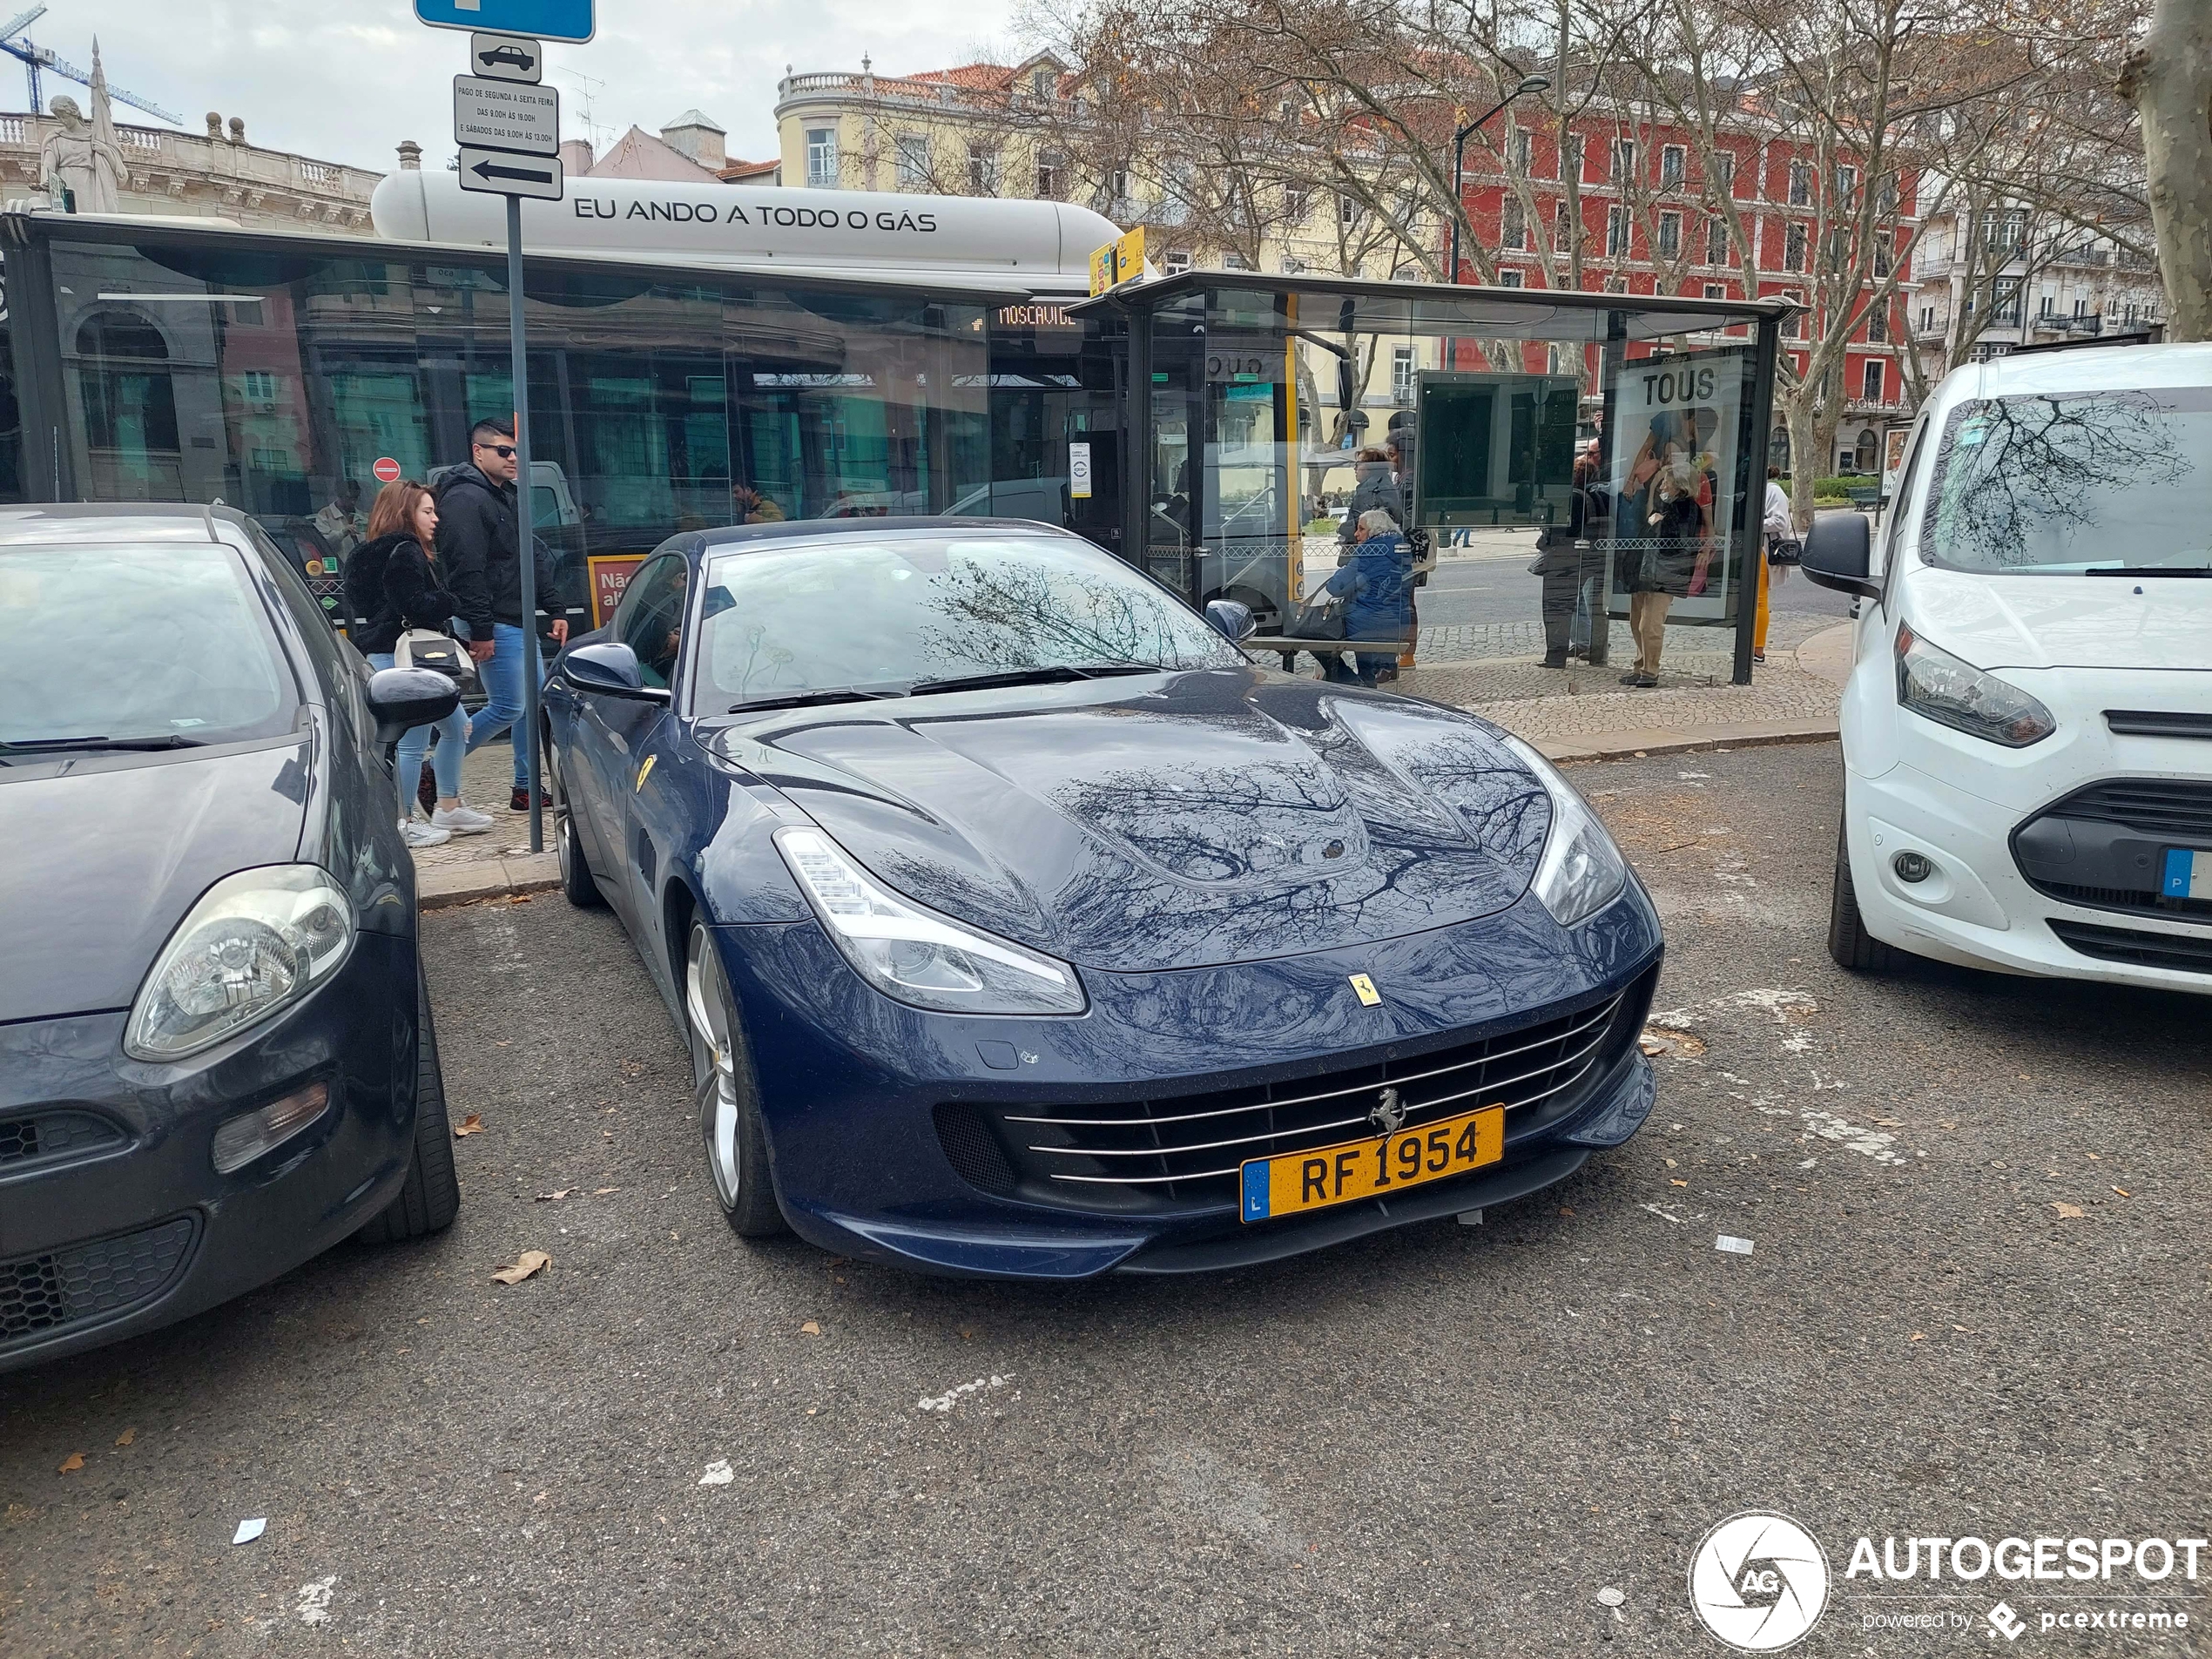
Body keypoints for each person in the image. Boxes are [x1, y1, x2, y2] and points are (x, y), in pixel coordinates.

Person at [346, 481, 494, 846]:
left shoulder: (363, 553)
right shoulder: (406, 550)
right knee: (413, 742)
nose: (436, 519)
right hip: (406, 662)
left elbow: (365, 606)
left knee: (457, 727)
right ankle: (405, 820)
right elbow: (413, 604)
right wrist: (450, 600)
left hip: (388, 656)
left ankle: (448, 804)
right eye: (427, 511)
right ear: (405, 514)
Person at [436, 416, 568, 813]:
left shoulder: (504, 496)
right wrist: (480, 629)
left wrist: (554, 606)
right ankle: (438, 769)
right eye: (504, 451)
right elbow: (466, 569)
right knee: (510, 706)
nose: (514, 459)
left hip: (514, 616)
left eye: (517, 452)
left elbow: (529, 557)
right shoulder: (464, 499)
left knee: (532, 704)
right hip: (492, 619)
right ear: (478, 452)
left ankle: (525, 787)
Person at [1615, 411, 1713, 687]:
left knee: (1651, 622)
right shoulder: (1659, 480)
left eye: (1675, 456)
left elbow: (1695, 524)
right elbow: (1650, 519)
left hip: (1670, 561)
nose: (1670, 461)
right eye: (1667, 456)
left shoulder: (1692, 486)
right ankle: (1641, 665)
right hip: (1649, 556)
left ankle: (1650, 670)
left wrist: (1703, 550)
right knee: (1637, 618)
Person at [1318, 509, 1414, 686]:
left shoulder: (1369, 552)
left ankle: (1354, 682)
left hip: (1367, 623)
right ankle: (1365, 681)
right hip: (1398, 622)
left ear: (1374, 531)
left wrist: (1342, 572)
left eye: (1361, 529)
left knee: (1317, 638)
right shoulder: (1401, 548)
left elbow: (1335, 588)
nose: (1356, 534)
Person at [1335, 448, 1403, 560]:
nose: (1354, 468)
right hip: (1369, 552)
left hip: (1369, 553)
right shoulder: (1373, 487)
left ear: (1371, 467)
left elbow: (1377, 521)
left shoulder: (1376, 489)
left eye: (1358, 464)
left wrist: (1345, 527)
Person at [1757, 464, 1794, 665]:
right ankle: (1754, 647)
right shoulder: (1765, 491)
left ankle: (1758, 649)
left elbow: (1780, 521)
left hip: (1764, 549)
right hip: (1758, 549)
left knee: (1760, 599)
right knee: (1756, 599)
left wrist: (1754, 524)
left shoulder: (1773, 491)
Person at [314, 479, 366, 559]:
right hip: (339, 564)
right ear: (340, 496)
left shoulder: (362, 516)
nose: (353, 502)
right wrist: (343, 533)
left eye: (355, 498)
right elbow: (323, 543)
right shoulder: (324, 514)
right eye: (349, 498)